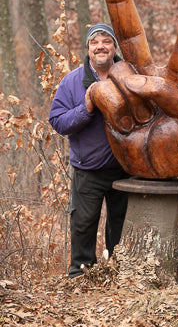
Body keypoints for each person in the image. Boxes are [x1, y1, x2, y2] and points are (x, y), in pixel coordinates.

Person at [49, 23, 129, 278]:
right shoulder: (72, 82)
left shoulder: (130, 76)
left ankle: (119, 272)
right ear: (88, 49)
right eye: (95, 42)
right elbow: (58, 121)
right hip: (88, 169)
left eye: (106, 41)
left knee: (122, 225)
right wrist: (86, 108)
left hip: (126, 168)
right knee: (82, 224)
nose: (100, 46)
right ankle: (81, 274)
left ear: (114, 47)